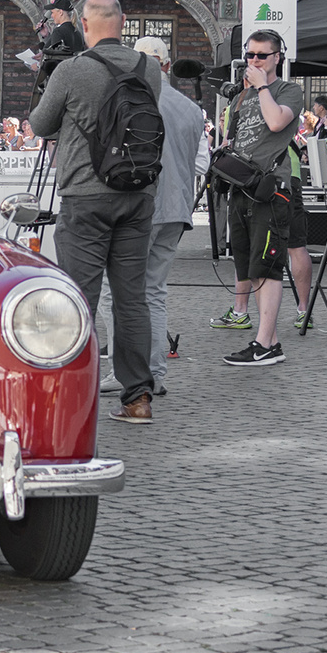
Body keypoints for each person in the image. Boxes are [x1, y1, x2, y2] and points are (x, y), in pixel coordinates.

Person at [28, 0, 163, 423]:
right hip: (138, 195)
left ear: (84, 25)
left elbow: (40, 124)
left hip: (85, 196)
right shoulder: (151, 69)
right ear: (123, 22)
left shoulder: (71, 70)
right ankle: (138, 397)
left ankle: (73, 398)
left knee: (80, 300)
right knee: (131, 300)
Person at [98, 36, 209, 394]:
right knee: (154, 292)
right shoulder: (191, 109)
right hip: (178, 209)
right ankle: (155, 372)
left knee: (116, 291)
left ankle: (126, 369)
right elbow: (197, 162)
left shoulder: (136, 98)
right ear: (166, 63)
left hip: (144, 206)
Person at [208, 31, 305, 367]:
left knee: (267, 266)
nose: (254, 62)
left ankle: (263, 344)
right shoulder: (243, 96)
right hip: (241, 186)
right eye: (250, 56)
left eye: (262, 55)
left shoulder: (288, 91)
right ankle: (271, 341)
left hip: (271, 189)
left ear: (278, 57)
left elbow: (278, 122)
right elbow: (234, 137)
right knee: (248, 265)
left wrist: (262, 86)